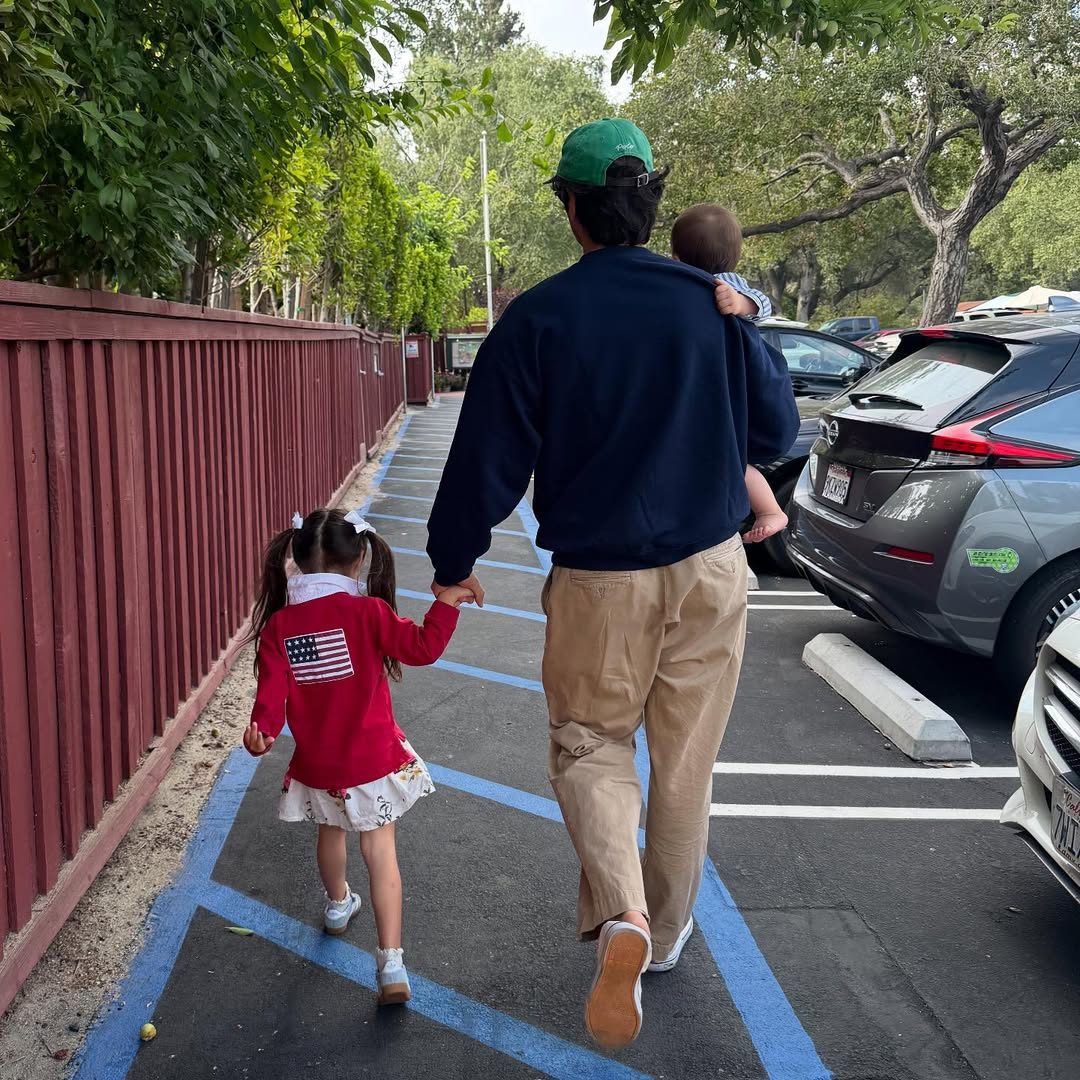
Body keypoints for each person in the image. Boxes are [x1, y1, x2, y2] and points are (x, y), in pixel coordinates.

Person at [426, 117, 799, 1049]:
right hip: (714, 570)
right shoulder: (712, 302)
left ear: (571, 208)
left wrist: (451, 562)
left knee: (591, 745)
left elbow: (488, 457)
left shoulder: (541, 317)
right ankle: (661, 937)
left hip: (601, 584)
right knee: (685, 767)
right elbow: (779, 433)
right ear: (648, 204)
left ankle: (622, 913)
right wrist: (748, 329)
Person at [242, 507, 472, 1005]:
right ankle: (391, 964)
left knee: (331, 835)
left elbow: (271, 696)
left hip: (319, 765)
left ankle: (337, 905)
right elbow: (421, 647)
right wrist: (448, 602)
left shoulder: (281, 626)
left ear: (296, 563)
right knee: (380, 853)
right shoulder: (368, 613)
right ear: (360, 561)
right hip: (372, 761)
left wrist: (262, 730)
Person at [671, 202, 789, 544]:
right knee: (731, 463)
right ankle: (769, 510)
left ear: (675, 255)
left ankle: (770, 511)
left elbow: (761, 304)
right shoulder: (690, 288)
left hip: (717, 403)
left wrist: (741, 304)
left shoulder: (726, 285)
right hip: (717, 406)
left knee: (735, 464)